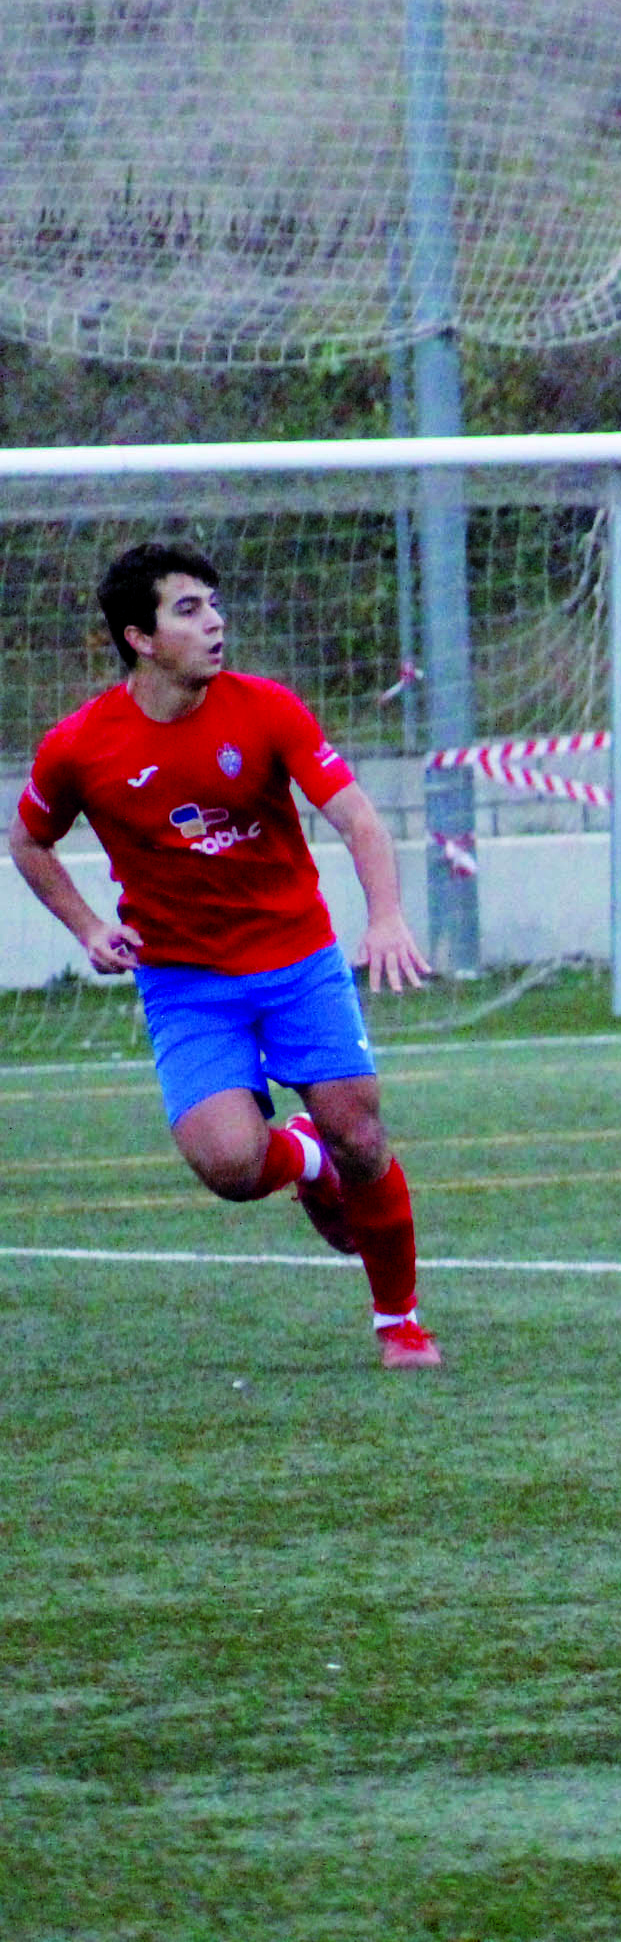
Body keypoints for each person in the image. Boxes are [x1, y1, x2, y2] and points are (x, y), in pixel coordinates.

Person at [8, 543, 441, 1367]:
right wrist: (89, 929)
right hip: (186, 982)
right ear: (139, 638)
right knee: (232, 1166)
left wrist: (384, 918)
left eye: (214, 604)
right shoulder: (81, 747)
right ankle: (302, 1158)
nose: (215, 622)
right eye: (188, 609)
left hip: (298, 961)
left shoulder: (267, 709)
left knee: (361, 1134)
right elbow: (28, 842)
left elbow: (358, 819)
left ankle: (399, 1322)